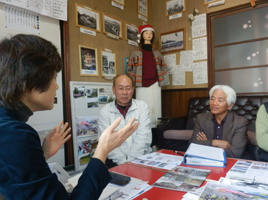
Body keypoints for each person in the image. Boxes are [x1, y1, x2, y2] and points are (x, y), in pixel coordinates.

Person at [0, 34, 139, 199]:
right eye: (54, 78)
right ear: (32, 80)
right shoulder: (15, 134)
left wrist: (42, 155)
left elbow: (15, 181)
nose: (57, 86)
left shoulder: (8, 127)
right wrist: (102, 150)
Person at [99, 74, 152, 168]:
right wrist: (123, 163)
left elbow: (144, 136)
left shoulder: (142, 106)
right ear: (114, 90)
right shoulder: (105, 111)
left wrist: (132, 161)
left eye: (128, 88)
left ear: (133, 89)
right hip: (115, 161)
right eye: (120, 88)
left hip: (141, 158)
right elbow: (106, 141)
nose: (124, 92)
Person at [189, 85, 249, 158]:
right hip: (206, 161)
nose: (214, 103)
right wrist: (214, 142)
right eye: (212, 99)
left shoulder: (240, 122)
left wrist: (205, 144)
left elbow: (234, 153)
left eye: (220, 100)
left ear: (230, 105)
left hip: (229, 161)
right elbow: (192, 144)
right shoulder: (201, 118)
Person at [127, 24, 169, 128]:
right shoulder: (135, 53)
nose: (149, 35)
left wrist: (161, 76)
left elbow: (164, 67)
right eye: (146, 33)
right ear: (141, 35)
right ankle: (144, 140)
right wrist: (135, 79)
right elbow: (129, 69)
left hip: (155, 84)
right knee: (143, 111)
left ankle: (155, 141)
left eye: (151, 33)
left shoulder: (158, 53)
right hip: (141, 85)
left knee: (156, 111)